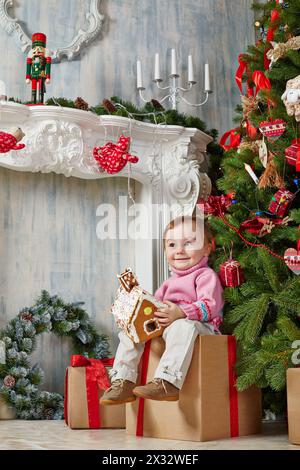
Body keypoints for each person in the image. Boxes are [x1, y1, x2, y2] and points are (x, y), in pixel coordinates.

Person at [101, 215, 224, 405]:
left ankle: (168, 382)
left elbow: (211, 306)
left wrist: (181, 312)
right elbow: (155, 305)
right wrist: (137, 310)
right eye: (172, 245)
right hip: (167, 328)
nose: (180, 251)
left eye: (189, 243)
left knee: (182, 326)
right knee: (130, 333)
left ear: (208, 247)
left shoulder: (205, 276)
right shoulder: (168, 283)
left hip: (201, 327)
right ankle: (123, 381)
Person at [26, 33, 52, 104]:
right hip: (33, 75)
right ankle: (33, 101)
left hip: (41, 74)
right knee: (33, 89)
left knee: (41, 89)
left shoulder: (45, 58)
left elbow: (48, 67)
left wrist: (48, 77)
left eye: (39, 50)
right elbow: (28, 67)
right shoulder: (31, 58)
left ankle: (40, 101)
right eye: (35, 50)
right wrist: (27, 77)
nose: (37, 51)